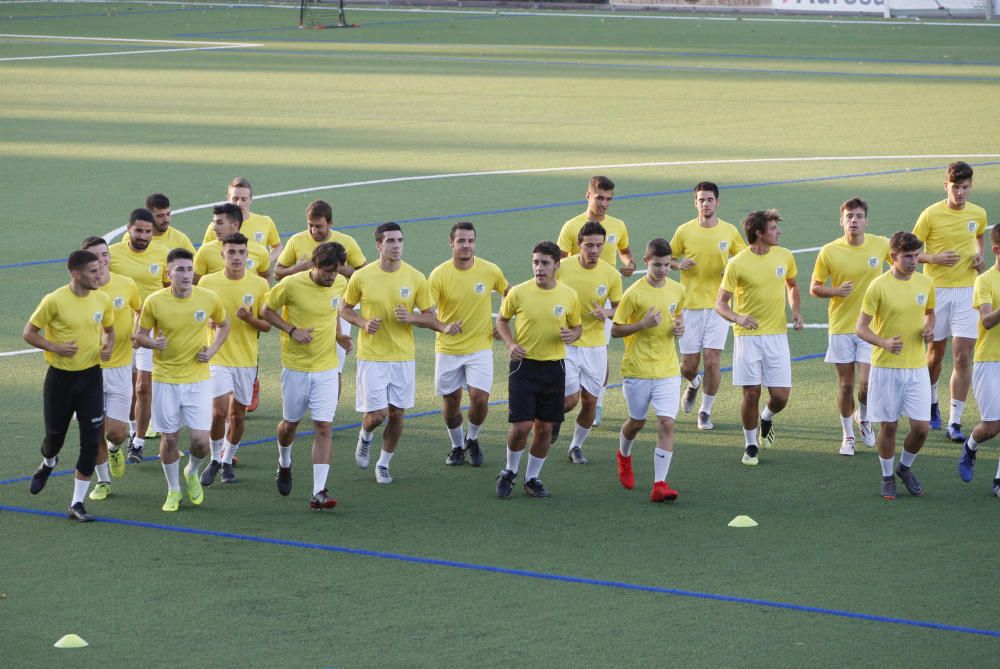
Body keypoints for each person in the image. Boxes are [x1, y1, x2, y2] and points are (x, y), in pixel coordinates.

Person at [340, 222, 457, 484]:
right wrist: (362, 323)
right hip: (372, 356)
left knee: (397, 414)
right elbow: (345, 309)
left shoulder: (415, 277)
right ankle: (366, 435)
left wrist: (412, 318)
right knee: (377, 415)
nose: (396, 246)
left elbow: (429, 316)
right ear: (379, 245)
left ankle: (383, 463)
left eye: (400, 241)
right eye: (390, 241)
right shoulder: (362, 277)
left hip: (403, 357)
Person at [134, 248, 229, 512]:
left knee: (200, 441)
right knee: (170, 440)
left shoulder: (208, 298)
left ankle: (192, 471)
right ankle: (173, 490)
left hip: (198, 380)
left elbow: (224, 324)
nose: (187, 275)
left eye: (189, 269)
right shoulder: (155, 301)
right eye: (180, 270)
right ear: (169, 273)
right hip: (165, 380)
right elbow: (139, 335)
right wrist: (153, 343)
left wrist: (211, 351)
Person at [23, 250, 114, 522]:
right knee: (54, 439)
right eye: (94, 272)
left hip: (91, 378)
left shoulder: (103, 299)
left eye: (100, 270)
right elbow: (29, 333)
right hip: (60, 380)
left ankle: (77, 504)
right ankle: (49, 462)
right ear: (76, 274)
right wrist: (55, 347)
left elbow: (109, 330)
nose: (100, 275)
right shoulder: (54, 300)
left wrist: (107, 345)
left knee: (91, 440)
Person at [262, 243, 352, 509]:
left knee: (324, 427)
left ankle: (318, 492)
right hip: (296, 368)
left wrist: (338, 335)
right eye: (327, 272)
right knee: (289, 425)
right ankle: (284, 462)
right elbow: (266, 311)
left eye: (335, 272)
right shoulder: (291, 285)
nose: (331, 277)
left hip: (326, 368)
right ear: (314, 266)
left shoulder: (339, 284)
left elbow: (333, 311)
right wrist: (291, 330)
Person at [494, 241, 582, 499]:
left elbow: (577, 328)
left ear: (556, 265)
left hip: (554, 368)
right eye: (535, 262)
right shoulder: (518, 293)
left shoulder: (569, 295)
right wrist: (510, 344)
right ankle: (509, 471)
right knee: (521, 426)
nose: (539, 268)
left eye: (544, 263)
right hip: (524, 367)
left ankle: (532, 478)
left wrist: (572, 334)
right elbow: (501, 320)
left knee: (544, 429)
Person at [715, 209, 803, 466]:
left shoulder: (785, 256)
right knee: (751, 393)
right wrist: (738, 318)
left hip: (777, 335)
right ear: (759, 233)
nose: (779, 232)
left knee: (781, 396)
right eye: (774, 228)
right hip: (748, 336)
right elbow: (720, 304)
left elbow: (793, 285)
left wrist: (796, 311)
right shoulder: (737, 263)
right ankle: (751, 444)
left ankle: (766, 417)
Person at [913, 160, 988, 441]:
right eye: (956, 187)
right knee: (935, 356)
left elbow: (979, 235)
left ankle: (955, 421)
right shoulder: (930, 215)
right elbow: (908, 252)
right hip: (937, 291)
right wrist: (933, 258)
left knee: (962, 356)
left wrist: (979, 255)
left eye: (965, 188)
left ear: (971, 187)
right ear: (946, 186)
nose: (960, 193)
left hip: (968, 292)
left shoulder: (978, 213)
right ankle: (932, 402)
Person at [857, 232, 935, 500]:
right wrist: (883, 343)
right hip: (886, 367)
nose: (914, 261)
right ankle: (888, 476)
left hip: (916, 367)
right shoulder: (878, 286)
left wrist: (929, 329)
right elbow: (861, 328)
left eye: (916, 255)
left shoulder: (925, 283)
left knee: (922, 427)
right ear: (893, 257)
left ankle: (904, 467)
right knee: (888, 427)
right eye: (908, 257)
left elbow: (930, 313)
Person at [810, 198, 890, 456]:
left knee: (867, 385)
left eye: (858, 216)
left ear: (866, 220)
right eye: (849, 216)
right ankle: (847, 436)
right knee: (845, 386)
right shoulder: (829, 251)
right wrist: (835, 290)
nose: (853, 220)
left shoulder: (880, 244)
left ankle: (864, 418)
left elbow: (902, 263)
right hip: (841, 327)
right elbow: (815, 287)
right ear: (841, 220)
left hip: (870, 328)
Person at [427, 222, 509, 467]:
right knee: (451, 401)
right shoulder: (439, 275)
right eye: (461, 241)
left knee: (480, 398)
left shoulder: (490, 270)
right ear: (451, 243)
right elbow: (428, 313)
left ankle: (472, 438)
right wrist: (443, 327)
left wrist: (503, 322)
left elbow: (511, 294)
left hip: (480, 347)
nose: (466, 245)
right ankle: (457, 446)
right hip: (449, 349)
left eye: (470, 241)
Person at [557, 175, 636, 426]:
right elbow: (557, 263)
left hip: (604, 301)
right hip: (575, 303)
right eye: (599, 197)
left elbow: (624, 250)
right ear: (588, 196)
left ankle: (597, 403)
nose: (603, 203)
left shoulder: (618, 225)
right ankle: (564, 400)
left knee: (600, 355)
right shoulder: (571, 226)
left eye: (608, 199)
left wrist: (630, 264)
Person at [611, 238, 686, 502]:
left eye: (667, 265)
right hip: (638, 369)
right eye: (657, 265)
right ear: (646, 262)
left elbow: (678, 318)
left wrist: (680, 328)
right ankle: (624, 457)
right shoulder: (633, 294)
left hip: (667, 369)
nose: (663, 270)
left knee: (666, 424)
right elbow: (616, 329)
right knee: (637, 422)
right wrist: (642, 324)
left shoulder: (678, 290)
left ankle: (660, 484)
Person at [669, 181, 746, 431]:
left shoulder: (729, 231)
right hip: (689, 306)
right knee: (687, 366)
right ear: (695, 203)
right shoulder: (684, 231)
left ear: (717, 202)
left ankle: (705, 410)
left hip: (718, 307)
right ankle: (693, 384)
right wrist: (677, 263)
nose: (705, 204)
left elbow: (745, 257)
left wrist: (732, 266)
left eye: (709, 200)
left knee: (712, 360)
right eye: (701, 200)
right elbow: (666, 257)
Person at [199, 233, 272, 487]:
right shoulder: (207, 282)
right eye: (231, 252)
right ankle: (214, 459)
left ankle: (227, 461)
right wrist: (206, 321)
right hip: (217, 357)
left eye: (241, 252)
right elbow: (195, 315)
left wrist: (249, 319)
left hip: (246, 359)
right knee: (219, 413)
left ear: (247, 254)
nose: (237, 257)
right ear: (222, 254)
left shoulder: (259, 285)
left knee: (238, 416)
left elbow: (266, 326)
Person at [554, 221, 622, 464]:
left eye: (599, 246)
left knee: (591, 401)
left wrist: (608, 314)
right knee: (569, 400)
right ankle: (552, 420)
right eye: (589, 245)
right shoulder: (562, 268)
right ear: (579, 245)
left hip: (595, 346)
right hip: (568, 343)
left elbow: (619, 310)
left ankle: (576, 446)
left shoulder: (611, 274)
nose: (594, 250)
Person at [81, 237, 140, 501]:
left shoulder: (126, 285)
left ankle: (116, 448)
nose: (102, 259)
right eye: (95, 256)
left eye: (105, 254)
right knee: (93, 431)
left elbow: (141, 311)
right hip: (88, 370)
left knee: (117, 432)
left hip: (119, 367)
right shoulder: (79, 292)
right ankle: (103, 481)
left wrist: (138, 331)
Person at [108, 208, 168, 461]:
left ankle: (139, 442)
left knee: (144, 385)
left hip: (149, 328)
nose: (144, 236)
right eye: (139, 230)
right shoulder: (112, 255)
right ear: (128, 229)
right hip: (120, 329)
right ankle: (126, 435)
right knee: (129, 387)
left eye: (148, 231)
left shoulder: (163, 255)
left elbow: (168, 289)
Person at [957, 224, 1000, 496]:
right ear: (996, 250)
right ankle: (970, 446)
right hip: (990, 361)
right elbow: (986, 320)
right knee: (993, 426)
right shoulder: (984, 281)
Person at [275, 200, 366, 281]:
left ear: (330, 223)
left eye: (318, 226)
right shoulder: (296, 241)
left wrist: (341, 270)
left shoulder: (347, 242)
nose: (314, 231)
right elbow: (277, 274)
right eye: (310, 225)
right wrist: (295, 270)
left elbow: (365, 275)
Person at [202, 177, 283, 267]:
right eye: (235, 199)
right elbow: (205, 254)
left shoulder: (265, 222)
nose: (239, 203)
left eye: (243, 199)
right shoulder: (215, 227)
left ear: (250, 199)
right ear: (228, 198)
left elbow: (277, 246)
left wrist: (266, 260)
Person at [193, 203, 271, 283]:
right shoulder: (205, 251)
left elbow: (266, 276)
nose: (214, 228)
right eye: (214, 223)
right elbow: (194, 285)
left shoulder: (260, 252)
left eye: (219, 223)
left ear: (235, 225)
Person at [120, 193, 195, 254]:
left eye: (168, 214)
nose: (166, 219)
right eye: (160, 216)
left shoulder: (180, 239)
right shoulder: (133, 237)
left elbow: (195, 267)